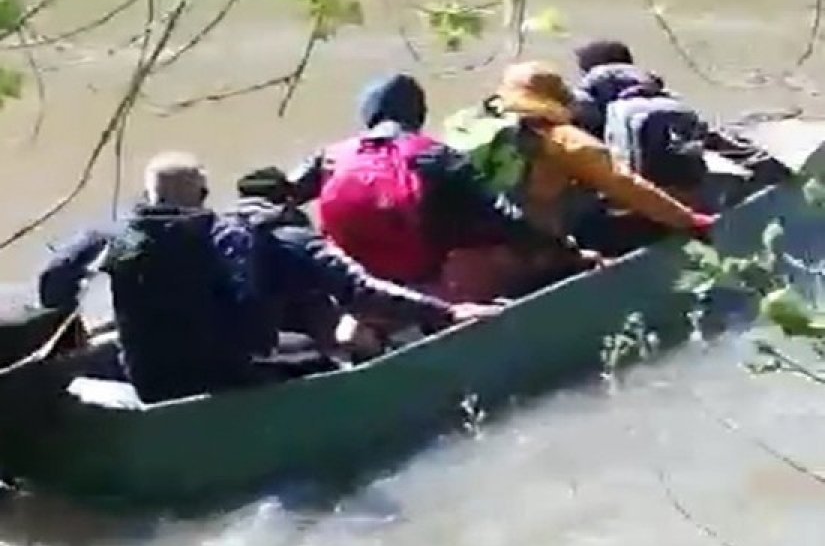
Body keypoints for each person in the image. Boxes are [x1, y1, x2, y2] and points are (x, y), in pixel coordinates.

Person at [39, 154, 498, 401]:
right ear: (202, 194)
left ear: (147, 194)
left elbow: (53, 285)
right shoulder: (235, 234)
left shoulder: (112, 235)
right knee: (325, 358)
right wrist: (448, 311)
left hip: (150, 380)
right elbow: (358, 291)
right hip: (227, 377)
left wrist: (72, 337)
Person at [289, 73, 594, 301]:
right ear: (419, 113)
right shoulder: (434, 154)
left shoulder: (331, 156)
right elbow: (500, 215)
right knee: (490, 239)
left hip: (349, 272)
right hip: (424, 270)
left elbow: (280, 196)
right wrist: (561, 250)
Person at [490, 62, 717, 252]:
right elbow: (623, 184)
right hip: (536, 234)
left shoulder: (479, 127)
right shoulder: (564, 141)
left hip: (485, 225)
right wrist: (688, 220)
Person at [572, 39, 788, 190]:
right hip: (685, 183)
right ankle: (773, 173)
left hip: (636, 191)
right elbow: (711, 135)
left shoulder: (592, 96)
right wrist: (769, 166)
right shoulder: (658, 91)